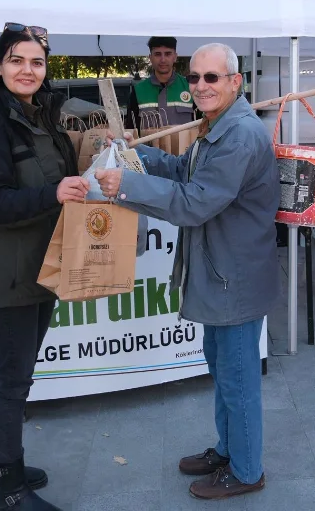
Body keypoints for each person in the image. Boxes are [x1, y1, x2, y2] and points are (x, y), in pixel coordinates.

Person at [93, 43, 278, 501]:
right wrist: (141, 155)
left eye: (211, 78)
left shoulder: (237, 134)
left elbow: (197, 202)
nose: (200, 86)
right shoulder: (219, 125)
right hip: (221, 274)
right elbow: (183, 170)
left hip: (233, 278)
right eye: (194, 77)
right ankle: (229, 450)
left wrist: (129, 184)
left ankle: (247, 468)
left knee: (237, 379)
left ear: (236, 82)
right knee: (223, 371)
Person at [0, 22, 90, 511]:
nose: (27, 70)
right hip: (7, 272)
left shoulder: (41, 116)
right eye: (16, 60)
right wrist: (52, 193)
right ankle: (11, 490)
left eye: (36, 61)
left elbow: (58, 178)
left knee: (19, 371)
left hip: (41, 265)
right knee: (12, 378)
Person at [125, 36, 197, 132]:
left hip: (185, 147)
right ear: (150, 58)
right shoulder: (138, 91)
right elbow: (131, 130)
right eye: (158, 54)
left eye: (168, 54)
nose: (163, 60)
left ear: (175, 57)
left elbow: (203, 125)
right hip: (147, 147)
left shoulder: (190, 87)